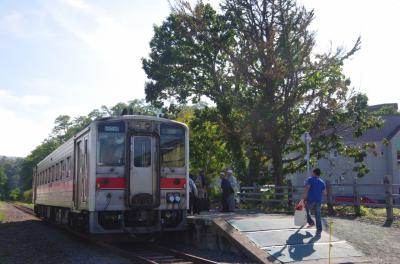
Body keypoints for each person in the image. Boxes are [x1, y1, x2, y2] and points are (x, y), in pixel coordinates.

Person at [301, 168, 325, 235]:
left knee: (305, 209)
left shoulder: (310, 179)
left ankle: (311, 222)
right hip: (319, 200)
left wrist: (304, 197)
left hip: (311, 199)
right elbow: (324, 192)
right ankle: (319, 230)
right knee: (318, 215)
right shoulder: (322, 182)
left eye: (312, 172)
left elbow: (307, 188)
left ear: (314, 173)